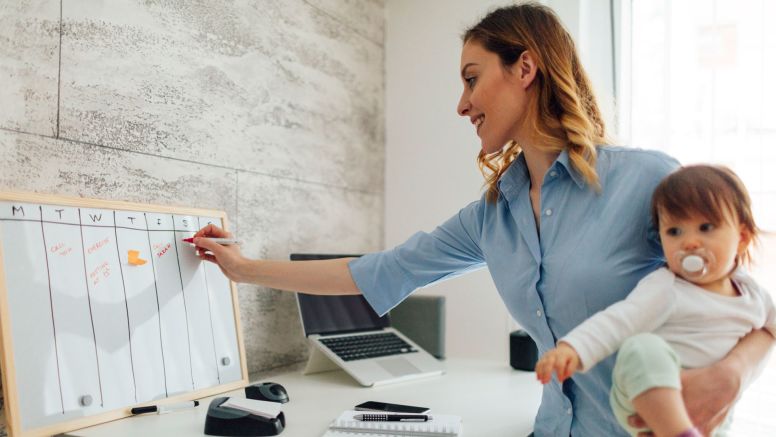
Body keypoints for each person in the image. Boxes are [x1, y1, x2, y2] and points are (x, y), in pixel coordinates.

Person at [192, 3, 774, 436]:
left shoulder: (644, 180)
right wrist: (241, 270)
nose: (462, 103)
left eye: (472, 78)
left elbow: (751, 296)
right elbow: (377, 271)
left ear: (526, 67)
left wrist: (733, 375)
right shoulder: (493, 216)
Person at [535, 165, 776, 437]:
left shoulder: (753, 295)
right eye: (674, 232)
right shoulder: (666, 287)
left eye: (705, 227)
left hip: (710, 410)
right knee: (641, 347)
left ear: (742, 238)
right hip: (645, 393)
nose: (690, 242)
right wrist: (573, 348)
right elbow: (619, 320)